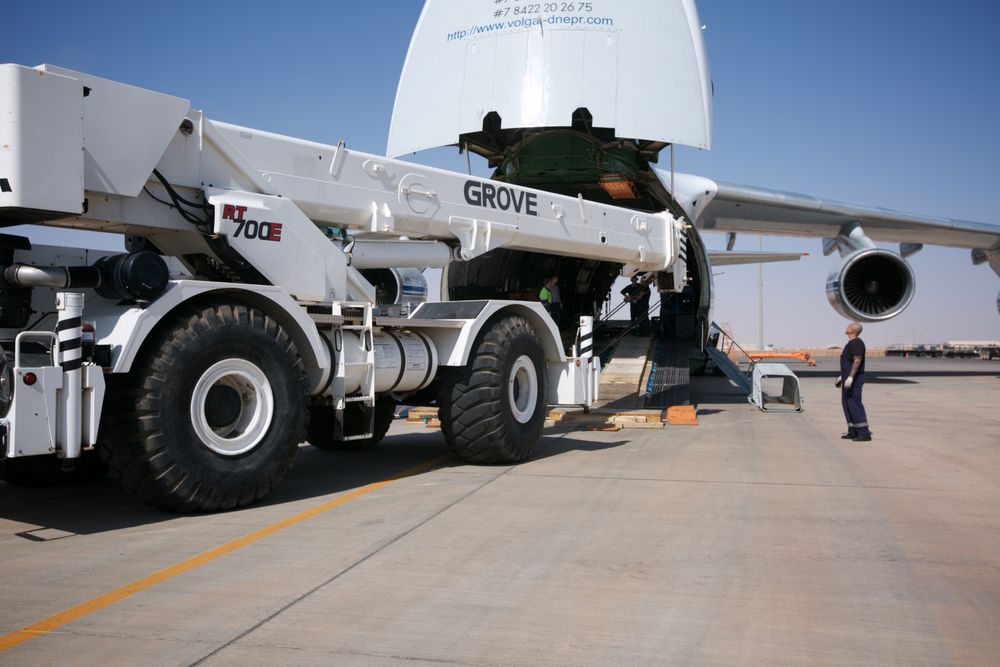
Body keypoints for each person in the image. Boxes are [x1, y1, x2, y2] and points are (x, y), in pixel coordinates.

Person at [835, 321, 872, 441]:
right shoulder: (850, 343)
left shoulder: (856, 343)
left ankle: (864, 433)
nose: (846, 327)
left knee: (855, 405)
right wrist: (842, 376)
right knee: (847, 405)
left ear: (853, 330)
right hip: (847, 379)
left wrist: (850, 377)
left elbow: (857, 361)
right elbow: (848, 363)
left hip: (854, 381)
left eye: (848, 326)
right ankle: (853, 431)